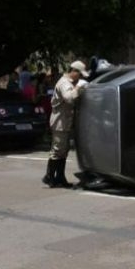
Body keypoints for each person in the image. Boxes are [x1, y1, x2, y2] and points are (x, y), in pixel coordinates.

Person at [42, 60, 89, 188]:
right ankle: (49, 176)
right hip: (60, 122)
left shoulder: (70, 82)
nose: (80, 77)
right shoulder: (64, 83)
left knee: (64, 151)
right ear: (74, 71)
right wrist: (79, 88)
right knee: (57, 150)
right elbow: (68, 98)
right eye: (79, 74)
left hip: (65, 121)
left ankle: (60, 177)